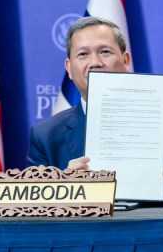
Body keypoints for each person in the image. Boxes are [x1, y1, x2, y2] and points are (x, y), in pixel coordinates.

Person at [28, 16, 130, 171]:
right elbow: (36, 195)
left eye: (105, 51)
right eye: (83, 54)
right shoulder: (45, 137)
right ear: (69, 68)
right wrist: (67, 186)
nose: (95, 62)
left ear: (126, 61)